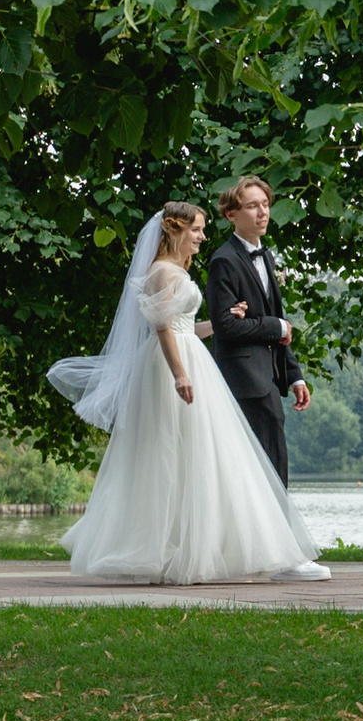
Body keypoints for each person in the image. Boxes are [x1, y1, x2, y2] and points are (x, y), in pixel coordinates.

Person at [48, 204, 329, 583]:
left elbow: (182, 328)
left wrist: (221, 321)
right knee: (171, 452)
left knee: (198, 452)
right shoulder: (163, 271)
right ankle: (172, 550)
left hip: (189, 357)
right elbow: (163, 329)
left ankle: (192, 547)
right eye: (196, 230)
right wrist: (179, 374)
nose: (200, 237)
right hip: (172, 367)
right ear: (175, 230)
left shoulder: (177, 271)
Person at [204, 175, 310, 485]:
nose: (262, 212)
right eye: (252, 206)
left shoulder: (267, 256)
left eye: (265, 205)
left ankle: (272, 531)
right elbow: (225, 326)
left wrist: (295, 375)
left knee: (272, 463)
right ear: (231, 214)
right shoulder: (223, 260)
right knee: (258, 468)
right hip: (242, 379)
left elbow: (278, 321)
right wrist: (273, 325)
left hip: (268, 376)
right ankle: (269, 532)